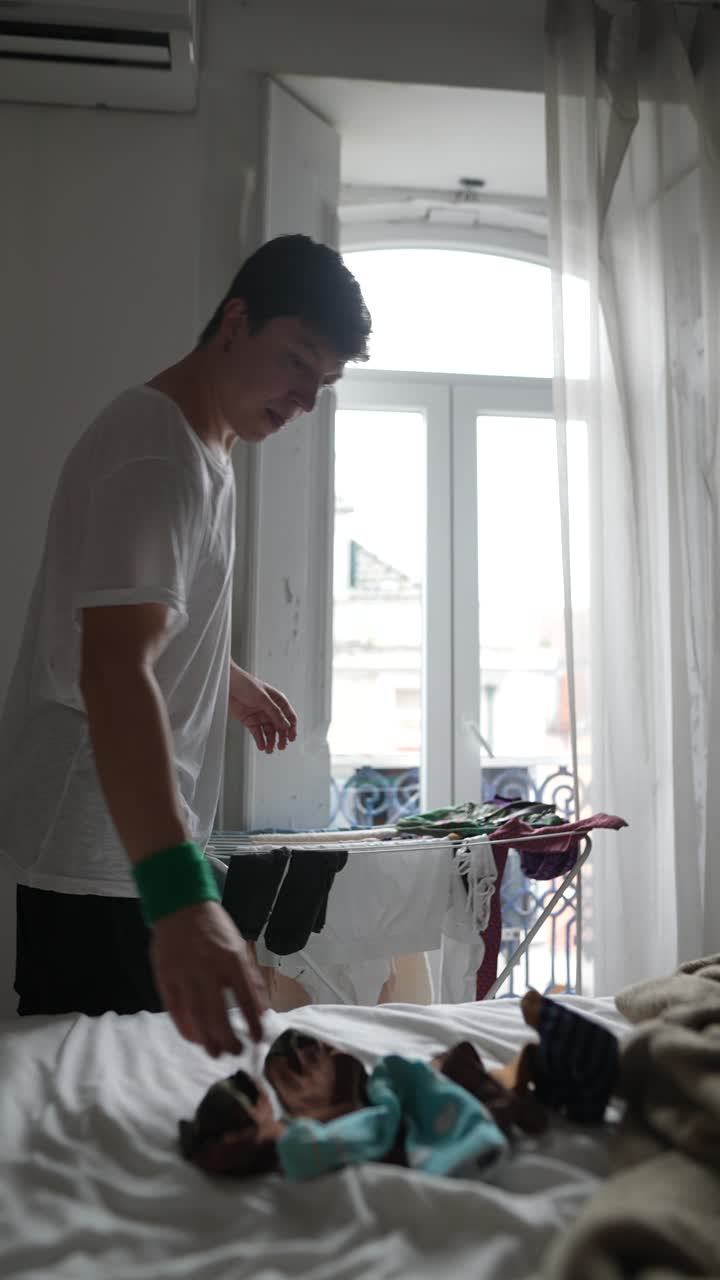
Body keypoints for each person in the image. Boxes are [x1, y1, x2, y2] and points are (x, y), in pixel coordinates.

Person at [0, 235, 371, 1058]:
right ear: (236, 320)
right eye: (297, 361)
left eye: (325, 383)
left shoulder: (206, 447)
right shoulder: (158, 448)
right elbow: (111, 666)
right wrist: (178, 895)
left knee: (127, 1091)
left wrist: (224, 679)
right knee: (101, 1096)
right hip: (101, 844)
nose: (305, 397)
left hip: (117, 838)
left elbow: (123, 616)